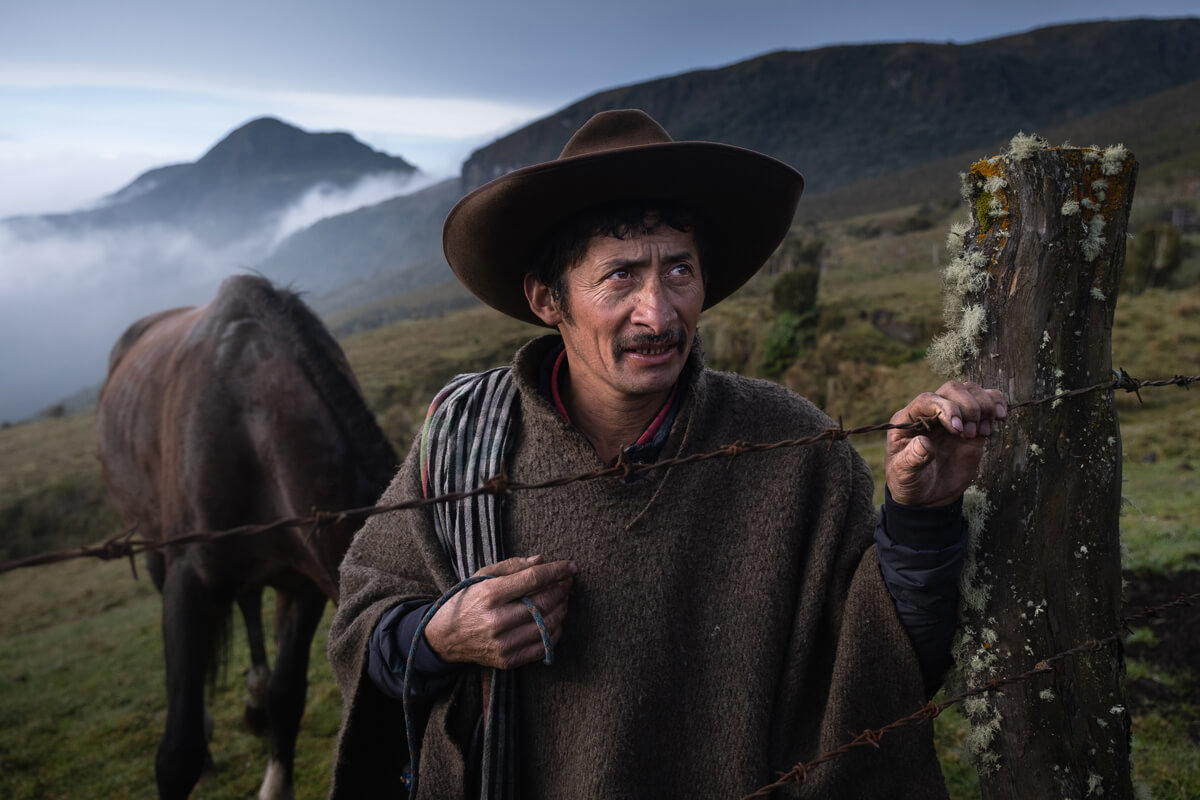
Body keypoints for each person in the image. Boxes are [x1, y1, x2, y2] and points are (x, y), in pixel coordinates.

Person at [326, 109, 1005, 799]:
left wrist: (921, 517)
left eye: (679, 270)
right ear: (546, 299)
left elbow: (884, 669)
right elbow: (363, 629)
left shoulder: (792, 448)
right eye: (619, 275)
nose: (658, 313)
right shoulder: (464, 441)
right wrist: (442, 634)